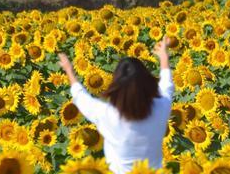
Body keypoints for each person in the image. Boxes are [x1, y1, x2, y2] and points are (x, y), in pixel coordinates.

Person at [57, 36, 174, 174]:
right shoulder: (161, 107)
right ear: (147, 83)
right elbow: (166, 85)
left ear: (116, 85)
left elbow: (80, 97)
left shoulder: (107, 115)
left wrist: (69, 70)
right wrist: (163, 56)